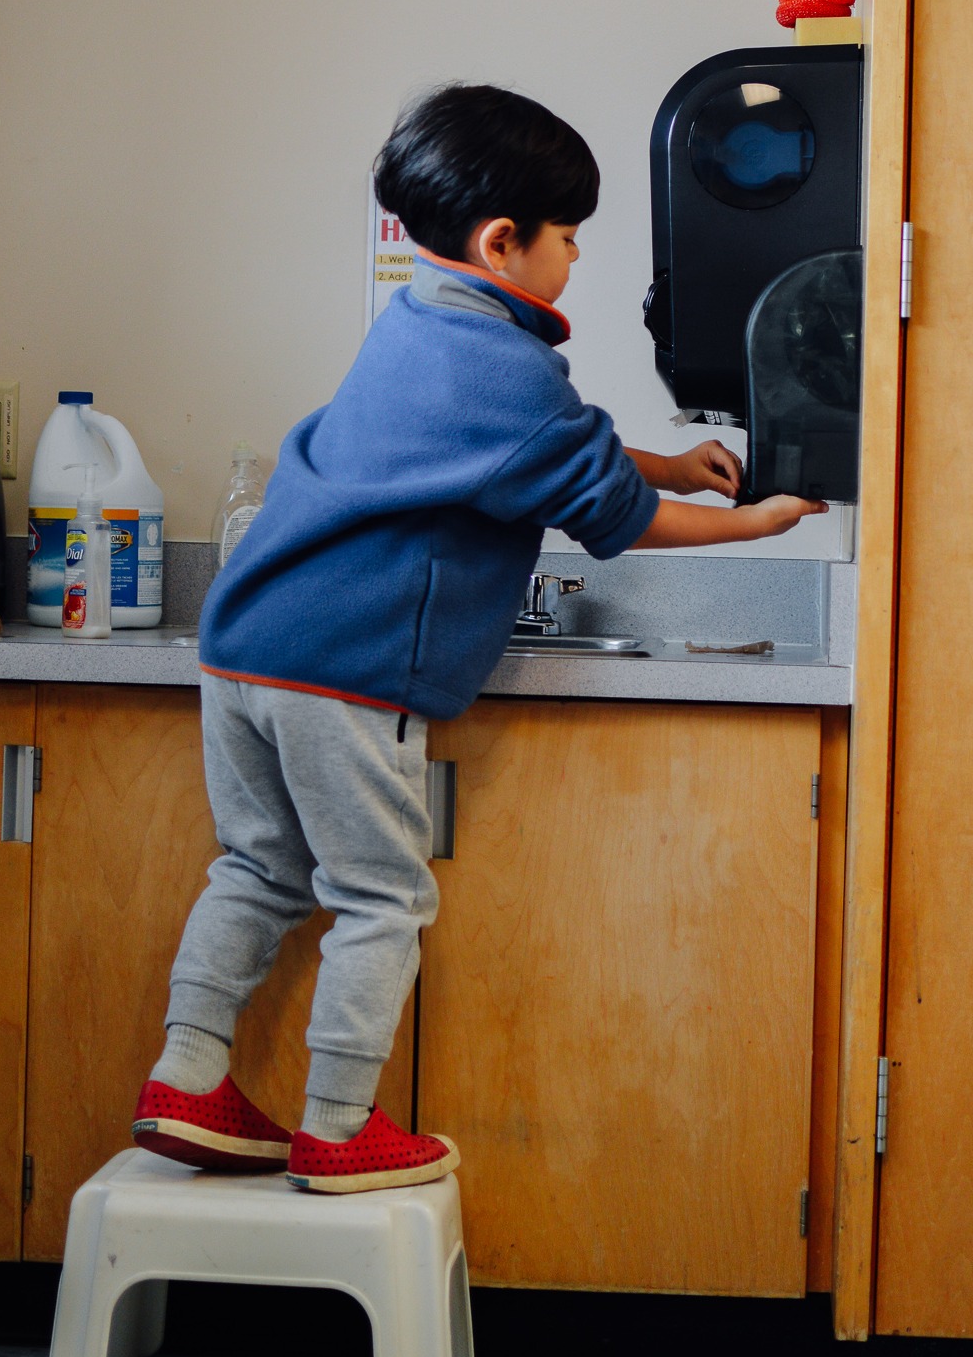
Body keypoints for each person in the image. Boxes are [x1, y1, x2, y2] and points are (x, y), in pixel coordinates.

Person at [131, 83, 825, 1194]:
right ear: (503, 242)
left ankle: (184, 1074)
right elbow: (616, 518)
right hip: (347, 668)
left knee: (259, 868)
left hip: (248, 642)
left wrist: (656, 455)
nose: (575, 259)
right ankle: (337, 1124)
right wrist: (752, 518)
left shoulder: (415, 325)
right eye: (568, 238)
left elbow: (536, 450)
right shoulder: (511, 372)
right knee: (380, 897)